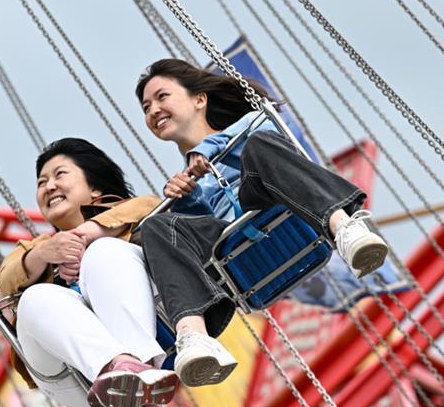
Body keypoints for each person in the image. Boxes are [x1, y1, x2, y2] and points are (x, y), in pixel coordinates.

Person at [135, 59, 389, 388]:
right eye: (146, 106)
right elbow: (200, 233)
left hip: (275, 210)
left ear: (199, 99)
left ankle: (345, 227)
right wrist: (185, 199)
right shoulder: (191, 179)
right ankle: (193, 334)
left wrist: (208, 150)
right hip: (237, 249)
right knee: (160, 226)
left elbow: (269, 136)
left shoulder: (253, 125)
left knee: (257, 148)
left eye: (161, 96)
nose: (153, 109)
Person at [0, 138, 178, 407]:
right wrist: (46, 253)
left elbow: (146, 206)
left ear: (95, 189)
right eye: (42, 182)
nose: (49, 186)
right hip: (67, 373)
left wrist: (82, 238)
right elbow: (5, 279)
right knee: (34, 298)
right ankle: (123, 370)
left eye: (59, 175)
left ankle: (132, 376)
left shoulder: (132, 214)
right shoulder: (35, 249)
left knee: (105, 252)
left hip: (152, 334)